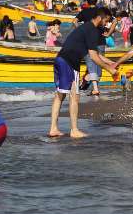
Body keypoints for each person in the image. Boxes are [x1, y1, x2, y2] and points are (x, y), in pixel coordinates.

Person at [49, 8, 117, 138]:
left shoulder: (85, 28)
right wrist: (110, 70)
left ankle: (53, 128)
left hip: (60, 59)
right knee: (75, 96)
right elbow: (93, 56)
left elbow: (95, 54)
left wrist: (111, 63)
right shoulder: (92, 30)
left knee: (60, 96)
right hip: (70, 63)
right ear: (100, 18)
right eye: (106, 21)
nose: (106, 24)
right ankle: (74, 130)